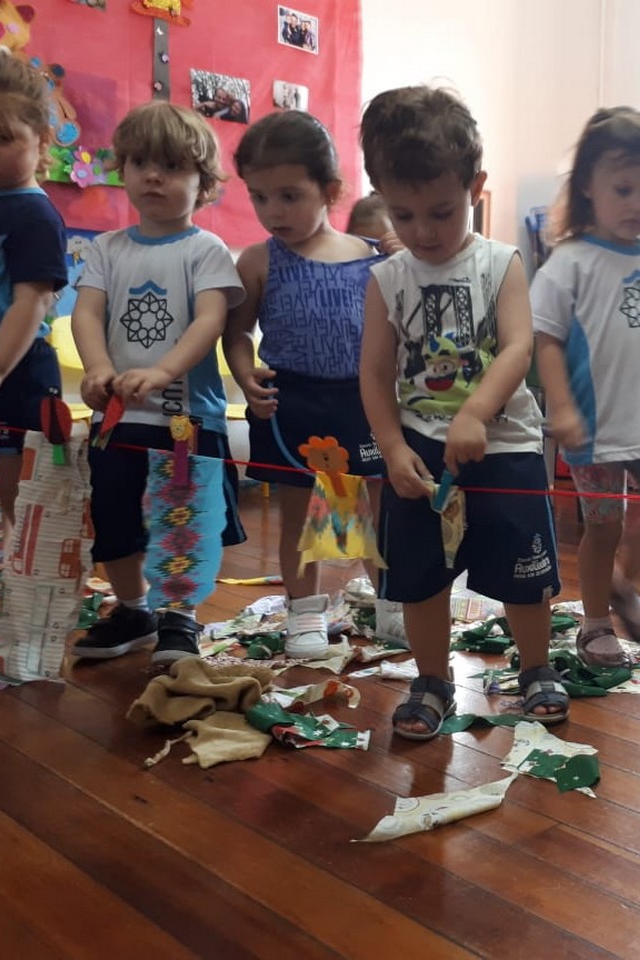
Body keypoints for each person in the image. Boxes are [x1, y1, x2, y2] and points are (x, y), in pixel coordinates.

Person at [358, 85, 567, 740]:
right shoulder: (387, 279)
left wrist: (476, 412)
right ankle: (432, 680)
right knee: (421, 579)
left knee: (524, 573)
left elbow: (518, 347)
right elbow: (374, 374)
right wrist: (393, 448)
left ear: (476, 188)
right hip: (419, 450)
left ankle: (534, 667)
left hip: (506, 445)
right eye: (404, 214)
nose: (423, 231)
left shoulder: (501, 263)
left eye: (441, 212)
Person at [70, 101, 247, 668]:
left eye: (171, 166)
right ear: (123, 169)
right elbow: (87, 313)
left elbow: (210, 320)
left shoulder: (205, 249)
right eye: (141, 163)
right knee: (113, 517)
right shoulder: (107, 248)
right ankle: (133, 610)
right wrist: (97, 368)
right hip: (118, 418)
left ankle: (179, 617)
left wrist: (164, 372)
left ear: (204, 183)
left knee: (183, 523)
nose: (153, 176)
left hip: (185, 419)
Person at [530, 107, 640, 669]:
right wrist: (561, 406)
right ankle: (596, 623)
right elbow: (546, 340)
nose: (637, 205)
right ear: (587, 186)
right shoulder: (569, 262)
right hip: (594, 426)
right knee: (603, 527)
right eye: (623, 190)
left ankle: (625, 584)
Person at [224, 110, 388, 659]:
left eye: (289, 196)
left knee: (376, 510)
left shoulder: (373, 257)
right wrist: (245, 374)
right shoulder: (257, 261)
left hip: (361, 400)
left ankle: (393, 603)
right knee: (299, 514)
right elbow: (237, 333)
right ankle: (304, 613)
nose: (273, 211)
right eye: (260, 197)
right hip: (289, 402)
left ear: (331, 191)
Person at [0, 48, 69, 522]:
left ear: (41, 142)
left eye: (2, 136)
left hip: (15, 368)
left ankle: (28, 572)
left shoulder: (33, 213)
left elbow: (32, 300)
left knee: (17, 502)